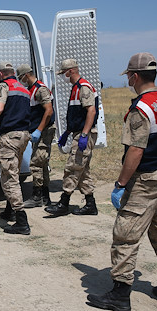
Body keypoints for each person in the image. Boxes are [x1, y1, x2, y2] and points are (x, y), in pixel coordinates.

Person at [87, 52, 157, 311]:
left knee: (126, 235)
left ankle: (120, 295)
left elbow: (135, 150)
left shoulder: (141, 108)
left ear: (134, 76)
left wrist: (121, 183)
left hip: (146, 179)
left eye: (129, 76)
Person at [0, 62, 32, 235]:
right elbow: (17, 111)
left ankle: (21, 220)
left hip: (10, 137)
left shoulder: (4, 86)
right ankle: (9, 210)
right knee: (14, 172)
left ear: (1, 74)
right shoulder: (24, 89)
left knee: (9, 177)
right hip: (23, 135)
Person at [45, 58, 99, 216]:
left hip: (84, 134)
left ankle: (63, 203)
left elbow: (91, 111)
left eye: (63, 73)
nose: (63, 76)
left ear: (71, 71)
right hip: (78, 132)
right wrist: (68, 132)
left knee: (73, 167)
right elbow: (77, 114)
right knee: (83, 170)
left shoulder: (83, 87)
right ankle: (90, 204)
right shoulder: (76, 87)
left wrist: (84, 134)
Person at [16, 64, 55, 208]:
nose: (21, 80)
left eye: (21, 78)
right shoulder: (31, 90)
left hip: (45, 131)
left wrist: (39, 130)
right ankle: (45, 196)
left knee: (36, 162)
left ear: (26, 75)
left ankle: (37, 196)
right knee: (43, 164)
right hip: (38, 130)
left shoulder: (40, 89)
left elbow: (48, 111)